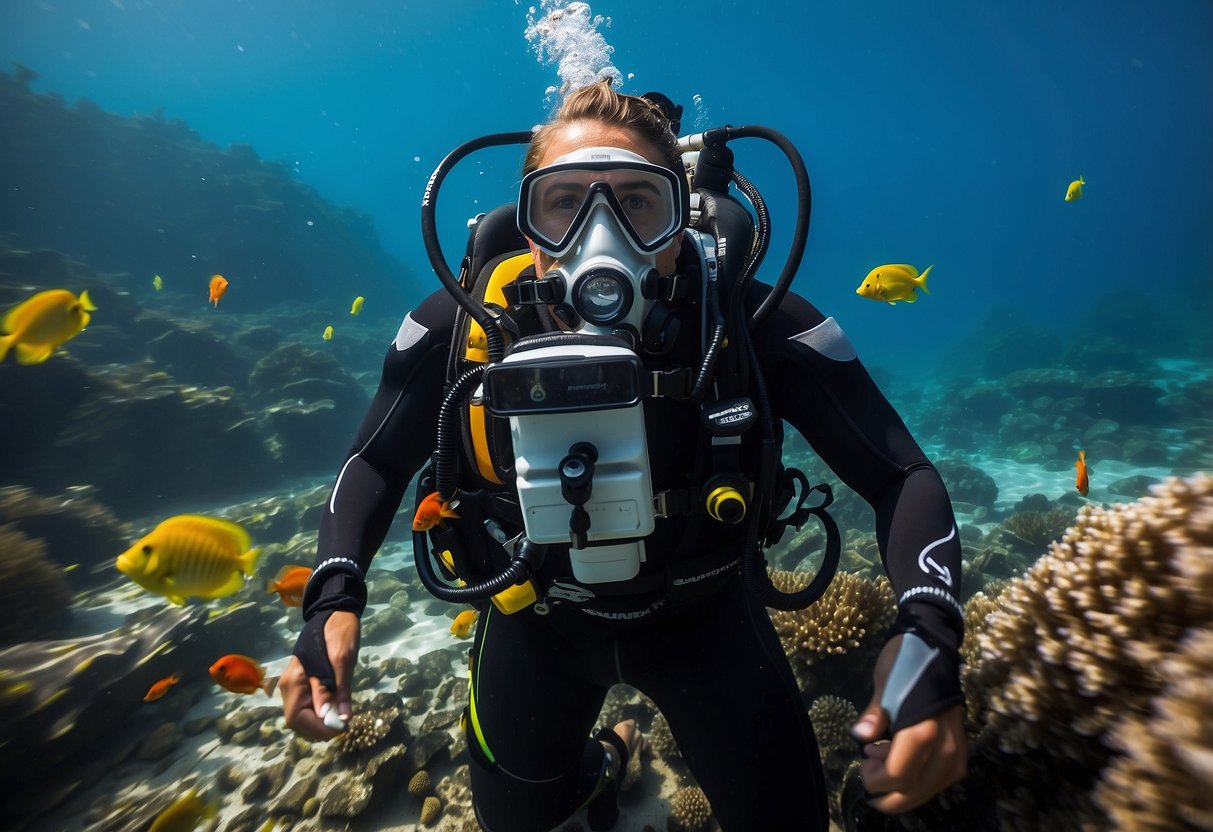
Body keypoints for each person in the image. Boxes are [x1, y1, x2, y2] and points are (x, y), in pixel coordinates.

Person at [281, 80, 967, 831]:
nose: (598, 236)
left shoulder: (752, 323)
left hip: (707, 622)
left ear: (680, 221)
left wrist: (928, 632)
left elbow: (901, 475)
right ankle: (605, 765)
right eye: (564, 203)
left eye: (638, 203)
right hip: (532, 621)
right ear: (528, 226)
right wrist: (332, 600)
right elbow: (375, 463)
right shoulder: (456, 330)